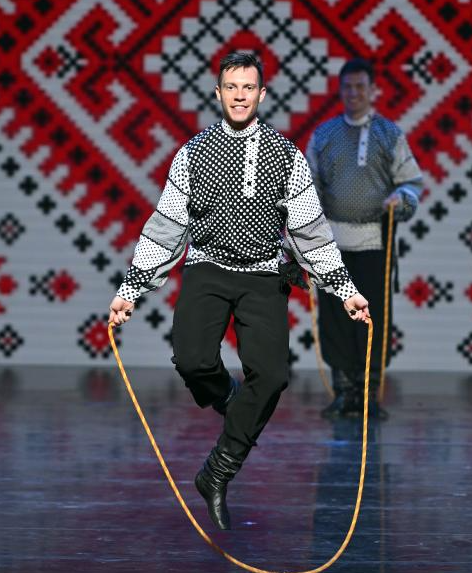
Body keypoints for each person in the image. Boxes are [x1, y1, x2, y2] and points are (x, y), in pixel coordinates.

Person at [108, 52, 370, 530]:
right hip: (208, 266)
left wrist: (344, 289)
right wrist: (131, 289)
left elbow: (310, 232)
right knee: (192, 360)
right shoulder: (193, 153)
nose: (240, 95)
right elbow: (166, 227)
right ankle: (232, 403)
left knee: (271, 376)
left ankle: (218, 471)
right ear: (218, 93)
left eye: (248, 87)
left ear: (262, 94)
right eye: (231, 87)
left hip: (264, 274)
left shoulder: (286, 155)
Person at [306, 58, 423, 419]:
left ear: (373, 91)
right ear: (340, 91)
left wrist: (400, 198)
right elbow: (308, 184)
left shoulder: (390, 134)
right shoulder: (324, 135)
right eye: (348, 87)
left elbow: (411, 181)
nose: (354, 93)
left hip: (374, 244)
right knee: (335, 318)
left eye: (360, 86)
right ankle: (344, 391)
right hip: (332, 245)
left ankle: (368, 394)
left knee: (372, 317)